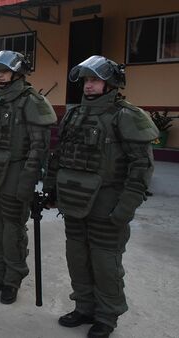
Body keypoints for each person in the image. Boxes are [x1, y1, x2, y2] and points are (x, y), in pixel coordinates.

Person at [44, 55, 158, 338]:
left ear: (111, 83)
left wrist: (126, 207)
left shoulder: (127, 116)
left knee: (105, 262)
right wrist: (51, 189)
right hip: (75, 200)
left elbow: (142, 166)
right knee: (77, 256)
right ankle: (84, 306)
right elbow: (59, 156)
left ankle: (106, 316)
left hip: (107, 201)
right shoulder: (74, 114)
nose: (88, 86)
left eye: (95, 80)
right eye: (86, 80)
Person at [0, 50, 56, 304]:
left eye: (4, 71)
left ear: (18, 72)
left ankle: (12, 279)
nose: (0, 75)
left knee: (13, 229)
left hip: (16, 172)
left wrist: (28, 181)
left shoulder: (32, 101)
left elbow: (39, 147)